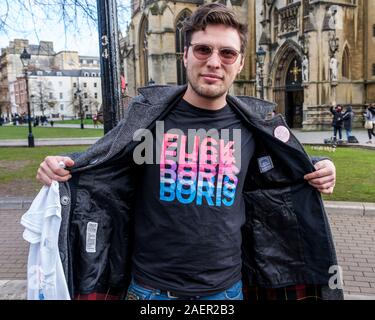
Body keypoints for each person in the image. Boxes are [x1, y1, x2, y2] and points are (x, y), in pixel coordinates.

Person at [34, 3, 341, 301]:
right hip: (151, 293)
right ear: (185, 55)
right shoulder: (150, 121)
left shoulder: (252, 127)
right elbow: (105, 161)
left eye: (227, 53)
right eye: (203, 49)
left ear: (240, 63)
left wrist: (319, 165)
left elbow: (279, 170)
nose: (214, 61)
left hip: (226, 292)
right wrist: (61, 166)